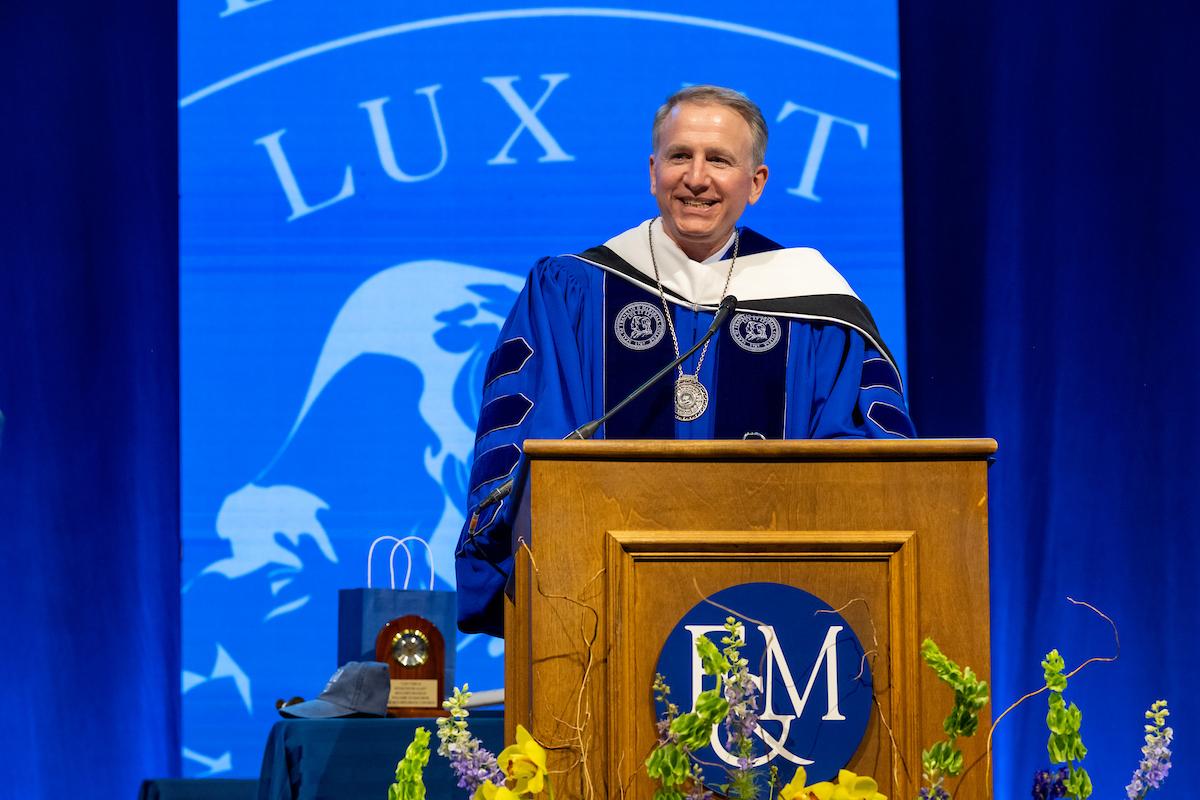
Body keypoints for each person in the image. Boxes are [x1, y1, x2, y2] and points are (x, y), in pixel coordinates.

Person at [455, 85, 914, 636]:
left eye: (719, 160)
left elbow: (865, 469)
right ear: (653, 173)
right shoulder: (572, 293)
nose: (697, 178)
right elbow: (529, 444)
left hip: (776, 612)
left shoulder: (816, 309)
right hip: (600, 605)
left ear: (756, 183)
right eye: (680, 156)